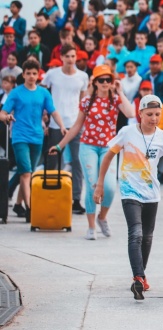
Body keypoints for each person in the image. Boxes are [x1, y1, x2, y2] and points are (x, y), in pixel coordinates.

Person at [94, 94, 163, 301]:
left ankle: (140, 276)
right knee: (136, 233)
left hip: (152, 194)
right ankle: (139, 277)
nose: (154, 118)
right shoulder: (127, 133)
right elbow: (108, 156)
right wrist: (100, 184)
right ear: (140, 113)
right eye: (149, 114)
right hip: (129, 191)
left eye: (157, 114)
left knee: (147, 236)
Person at [49, 65, 136, 240]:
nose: (105, 83)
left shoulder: (115, 100)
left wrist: (120, 91)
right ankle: (91, 227)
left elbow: (131, 113)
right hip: (88, 146)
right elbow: (76, 126)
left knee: (109, 187)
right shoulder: (87, 101)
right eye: (101, 80)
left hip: (109, 148)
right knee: (92, 185)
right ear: (95, 82)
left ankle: (102, 217)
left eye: (108, 79)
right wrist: (59, 146)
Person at [0, 59, 68, 223]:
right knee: (26, 173)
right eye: (28, 73)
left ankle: (18, 204)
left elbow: (53, 111)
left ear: (38, 75)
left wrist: (62, 126)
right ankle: (31, 209)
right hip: (20, 136)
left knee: (27, 172)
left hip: (37, 137)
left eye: (34, 73)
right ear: (23, 75)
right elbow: (2, 112)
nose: (31, 76)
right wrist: (7, 117)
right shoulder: (16, 93)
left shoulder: (43, 93)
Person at [41, 44, 89, 215]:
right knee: (52, 160)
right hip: (56, 123)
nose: (70, 59)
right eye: (67, 56)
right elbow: (43, 94)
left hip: (75, 124)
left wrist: (83, 122)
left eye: (73, 56)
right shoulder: (52, 74)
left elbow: (83, 101)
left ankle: (76, 199)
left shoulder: (83, 76)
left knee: (77, 161)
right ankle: (49, 195)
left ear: (76, 57)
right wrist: (45, 116)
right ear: (61, 57)